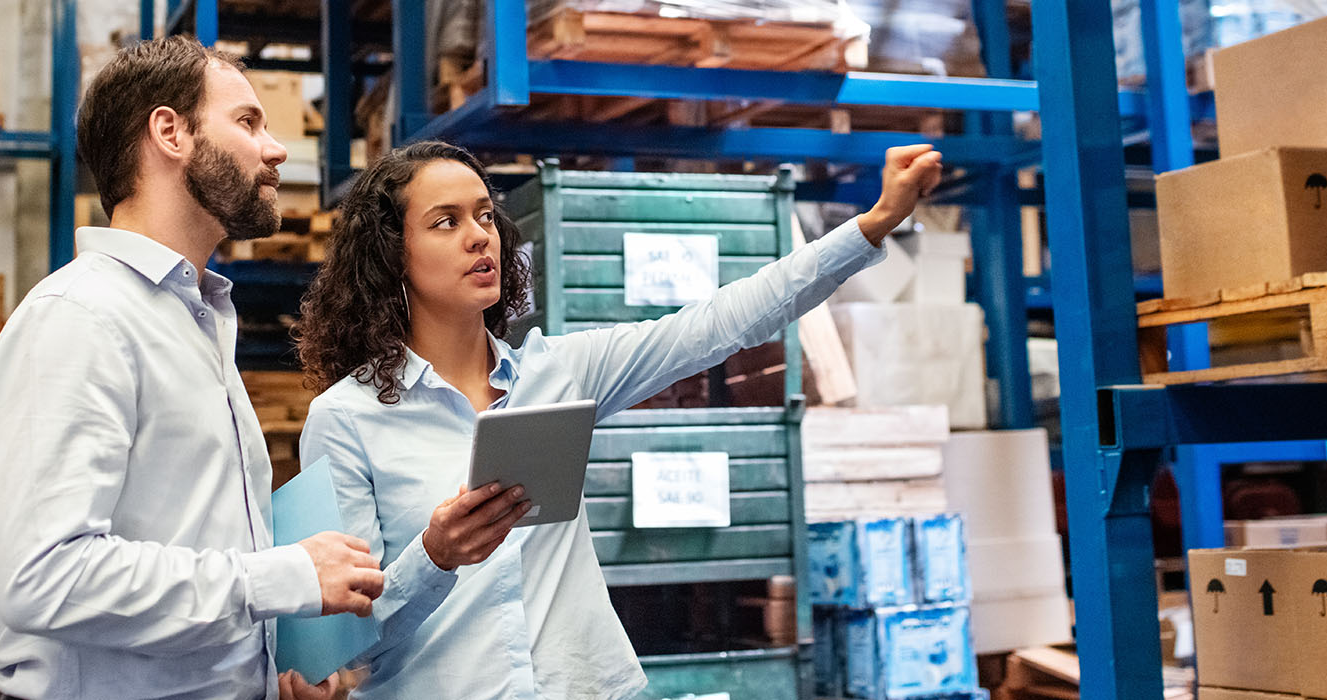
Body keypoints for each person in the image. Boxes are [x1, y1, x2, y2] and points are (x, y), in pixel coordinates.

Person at [0, 38, 517, 700]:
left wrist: (276, 666)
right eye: (248, 123)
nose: (275, 149)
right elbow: (43, 576)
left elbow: (192, 560)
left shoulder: (193, 320)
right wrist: (282, 577)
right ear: (170, 132)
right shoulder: (79, 319)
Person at [293, 140, 944, 699]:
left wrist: (877, 222)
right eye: (445, 221)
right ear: (390, 255)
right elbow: (346, 646)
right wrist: (436, 557)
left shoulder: (560, 374)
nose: (479, 235)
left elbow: (721, 322)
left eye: (486, 215)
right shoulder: (344, 421)